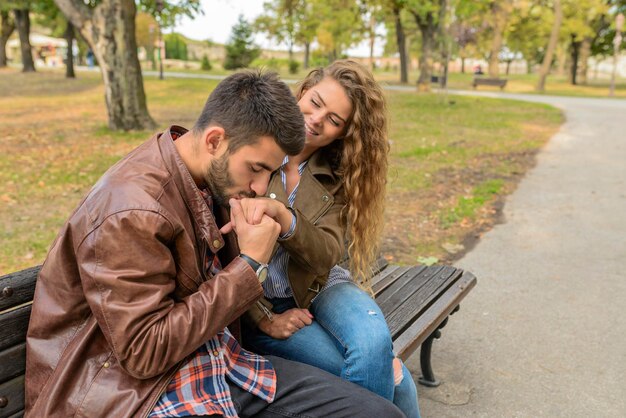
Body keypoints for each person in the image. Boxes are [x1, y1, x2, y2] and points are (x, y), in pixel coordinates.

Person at [24, 71, 404, 418]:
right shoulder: (132, 210)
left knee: (382, 412)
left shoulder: (207, 174)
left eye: (270, 172)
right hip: (130, 392)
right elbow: (144, 353)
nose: (260, 188)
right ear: (214, 140)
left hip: (220, 359)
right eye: (257, 169)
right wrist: (251, 262)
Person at [238, 60, 421, 418]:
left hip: (322, 285)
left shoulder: (334, 175)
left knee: (375, 349)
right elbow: (225, 253)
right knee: (397, 382)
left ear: (342, 133)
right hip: (266, 302)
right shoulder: (255, 146)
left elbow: (326, 256)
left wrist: (289, 220)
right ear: (303, 91)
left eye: (335, 120)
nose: (318, 120)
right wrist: (263, 318)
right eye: (316, 103)